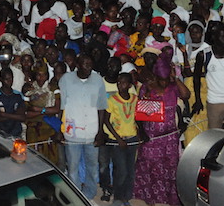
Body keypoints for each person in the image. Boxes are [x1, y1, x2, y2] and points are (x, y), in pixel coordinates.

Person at [134, 54, 190, 206]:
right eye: (161, 79)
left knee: (171, 168)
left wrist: (175, 78)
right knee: (150, 168)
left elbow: (186, 95)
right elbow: (139, 114)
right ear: (156, 77)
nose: (164, 82)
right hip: (151, 137)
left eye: (166, 79)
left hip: (170, 137)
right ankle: (150, 199)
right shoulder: (147, 88)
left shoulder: (173, 88)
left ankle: (171, 199)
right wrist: (142, 132)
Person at [58, 53, 107, 200]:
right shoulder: (66, 80)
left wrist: (100, 132)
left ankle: (89, 194)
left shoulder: (98, 80)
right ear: (78, 65)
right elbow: (62, 107)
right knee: (72, 168)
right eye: (86, 65)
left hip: (92, 132)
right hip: (72, 132)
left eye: (90, 65)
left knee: (92, 167)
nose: (89, 68)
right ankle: (76, 196)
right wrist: (59, 129)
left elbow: (101, 107)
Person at [102, 73, 139, 206]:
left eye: (123, 83)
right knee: (121, 171)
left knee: (130, 171)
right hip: (118, 140)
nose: (120, 85)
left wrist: (140, 133)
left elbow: (137, 117)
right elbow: (106, 120)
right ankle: (118, 198)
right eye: (118, 82)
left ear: (129, 85)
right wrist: (118, 139)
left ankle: (126, 197)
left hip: (132, 137)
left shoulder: (134, 99)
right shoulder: (112, 100)